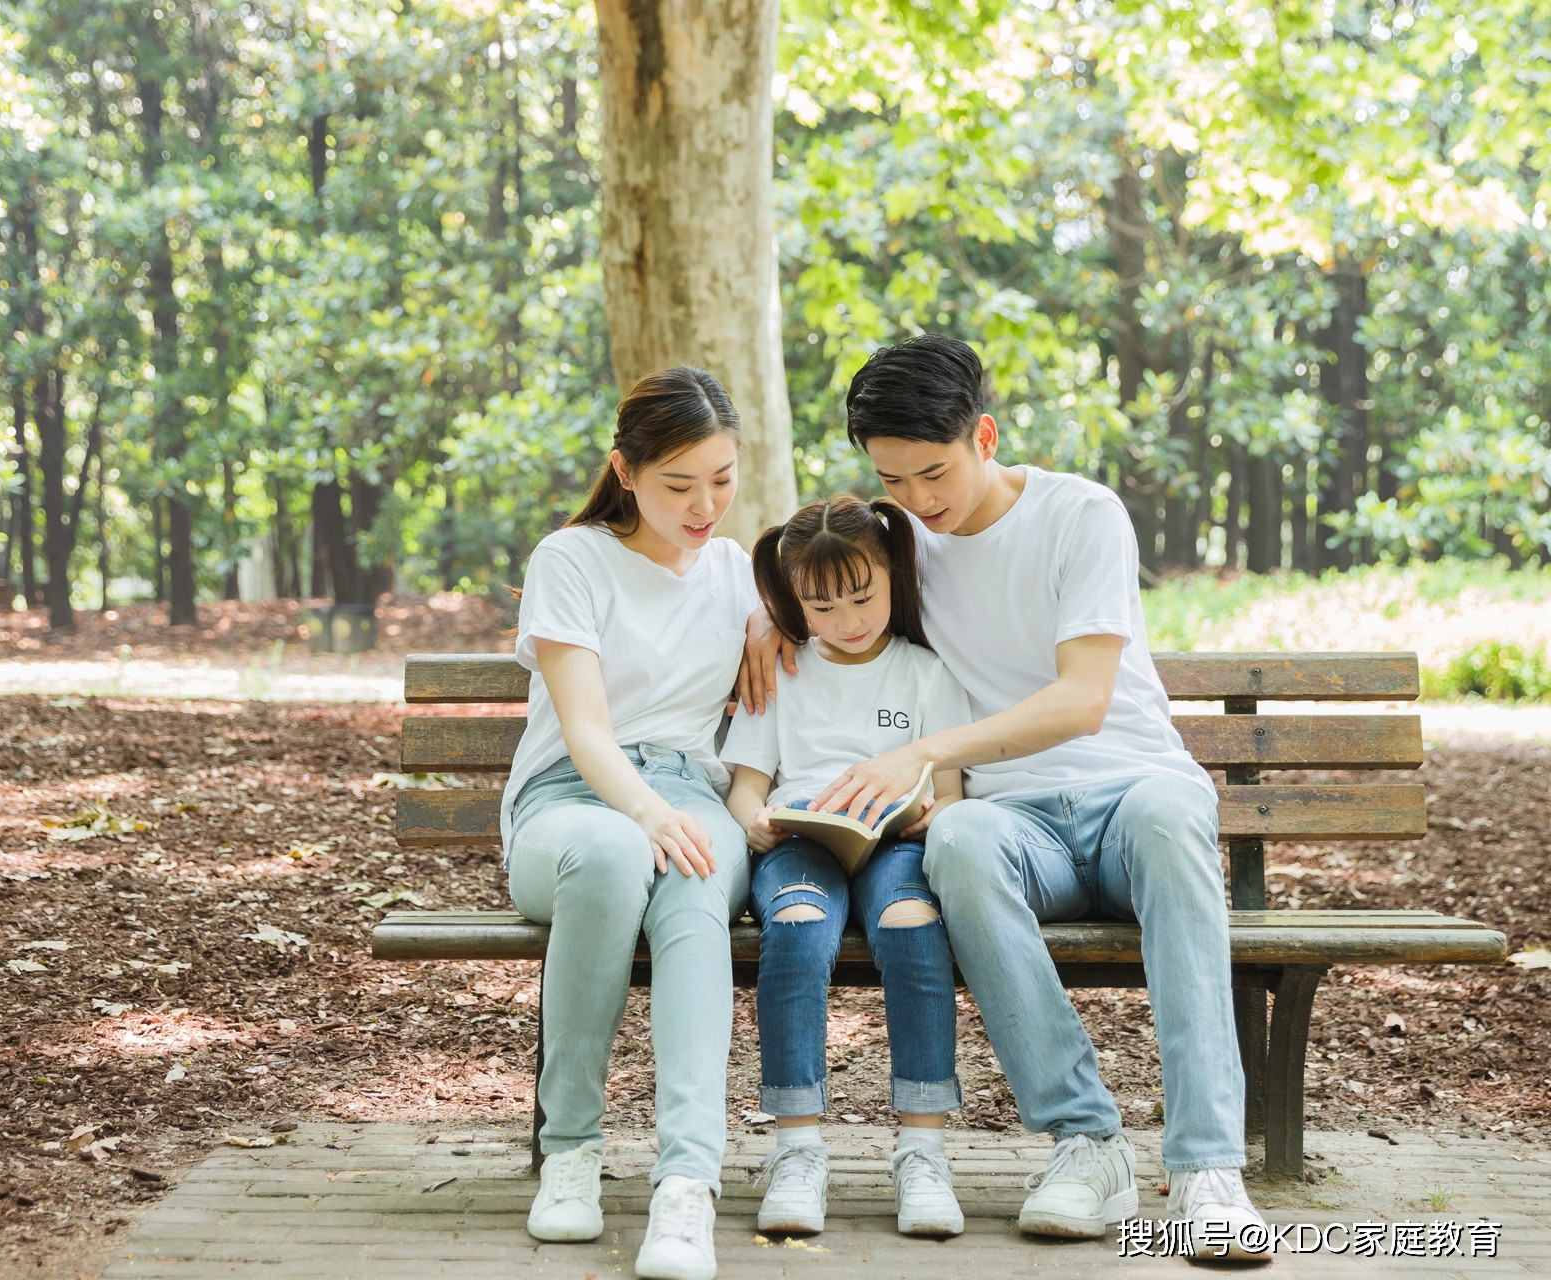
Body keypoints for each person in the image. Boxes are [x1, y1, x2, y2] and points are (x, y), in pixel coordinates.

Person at [749, 334, 1271, 1262]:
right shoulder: (907, 540)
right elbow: (827, 584)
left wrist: (926, 748)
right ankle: (1086, 1142)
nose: (917, 501)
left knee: (1169, 817)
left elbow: (1083, 699)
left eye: (934, 472)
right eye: (894, 479)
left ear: (984, 436)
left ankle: (1205, 1169)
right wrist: (766, 618)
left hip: (1130, 791)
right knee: (958, 845)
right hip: (1013, 822)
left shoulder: (1082, 515)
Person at [506, 366, 760, 1280]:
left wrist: (770, 624)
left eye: (723, 479)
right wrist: (645, 814)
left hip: (691, 791)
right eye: (678, 484)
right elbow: (585, 729)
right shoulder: (569, 560)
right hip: (572, 798)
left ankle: (687, 1183)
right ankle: (570, 1149)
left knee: (694, 884)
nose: (704, 506)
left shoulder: (738, 570)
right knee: (616, 854)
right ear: (625, 470)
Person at [719, 495, 973, 1239]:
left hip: (897, 843)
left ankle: (922, 1151)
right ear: (795, 601)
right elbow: (745, 788)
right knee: (796, 928)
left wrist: (925, 816)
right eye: (823, 606)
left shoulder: (926, 673)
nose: (848, 621)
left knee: (914, 924)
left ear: (893, 576)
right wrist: (755, 826)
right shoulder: (785, 671)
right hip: (801, 842)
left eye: (863, 598)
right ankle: (797, 1149)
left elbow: (952, 793)